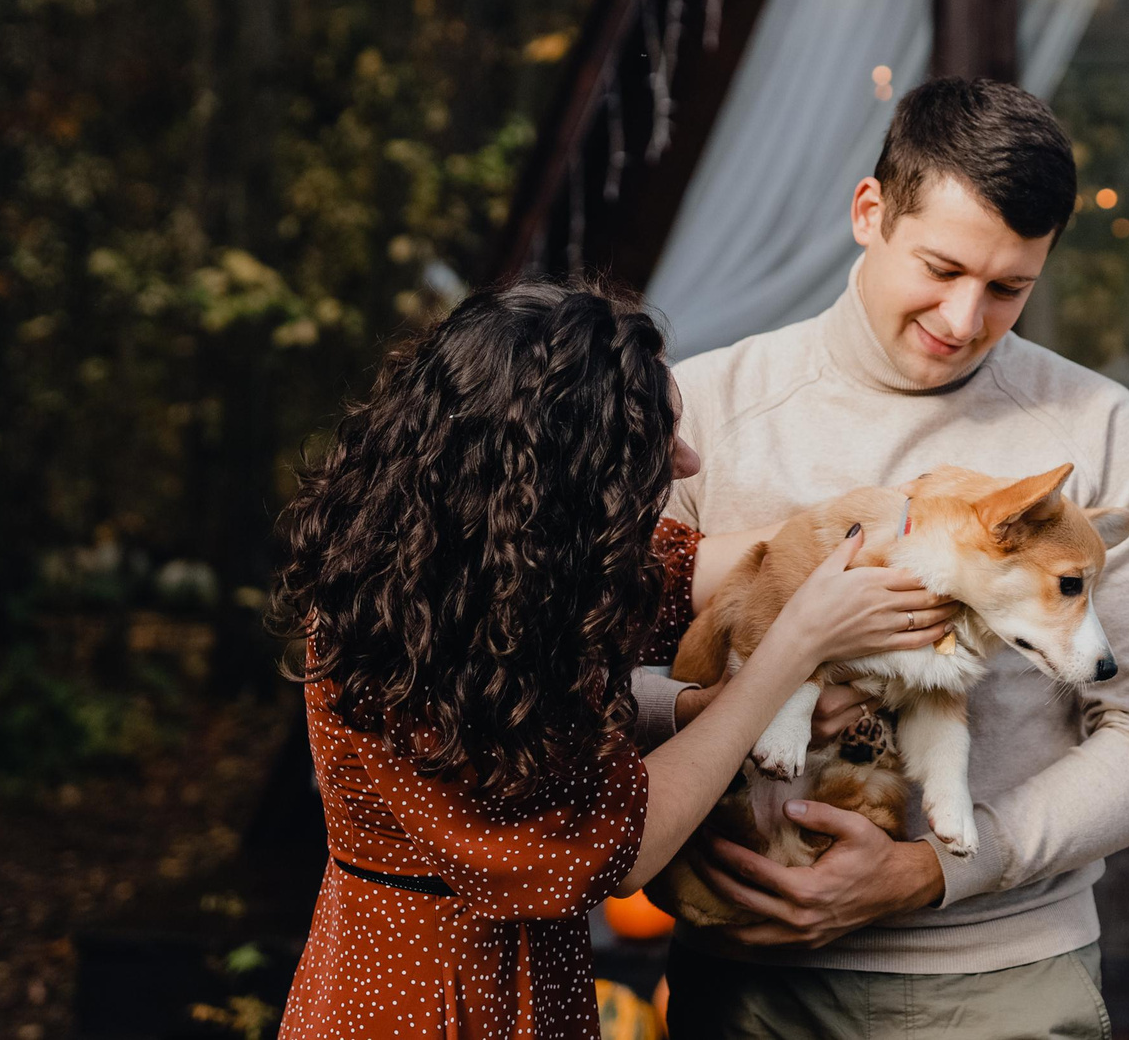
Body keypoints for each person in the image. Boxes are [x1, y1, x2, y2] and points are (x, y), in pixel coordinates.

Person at [646, 78, 1129, 1040]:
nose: (962, 317)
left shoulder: (1096, 426)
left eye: (1007, 288)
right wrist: (705, 707)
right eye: (941, 267)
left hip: (1001, 980)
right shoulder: (700, 413)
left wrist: (940, 867)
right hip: (747, 978)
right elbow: (580, 676)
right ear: (871, 212)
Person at [270, 280, 959, 1039]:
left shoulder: (530, 563)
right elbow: (622, 840)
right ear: (560, 470)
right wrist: (795, 650)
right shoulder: (403, 634)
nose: (690, 461)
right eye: (658, 441)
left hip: (539, 982)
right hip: (421, 992)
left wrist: (927, 534)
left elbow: (738, 564)